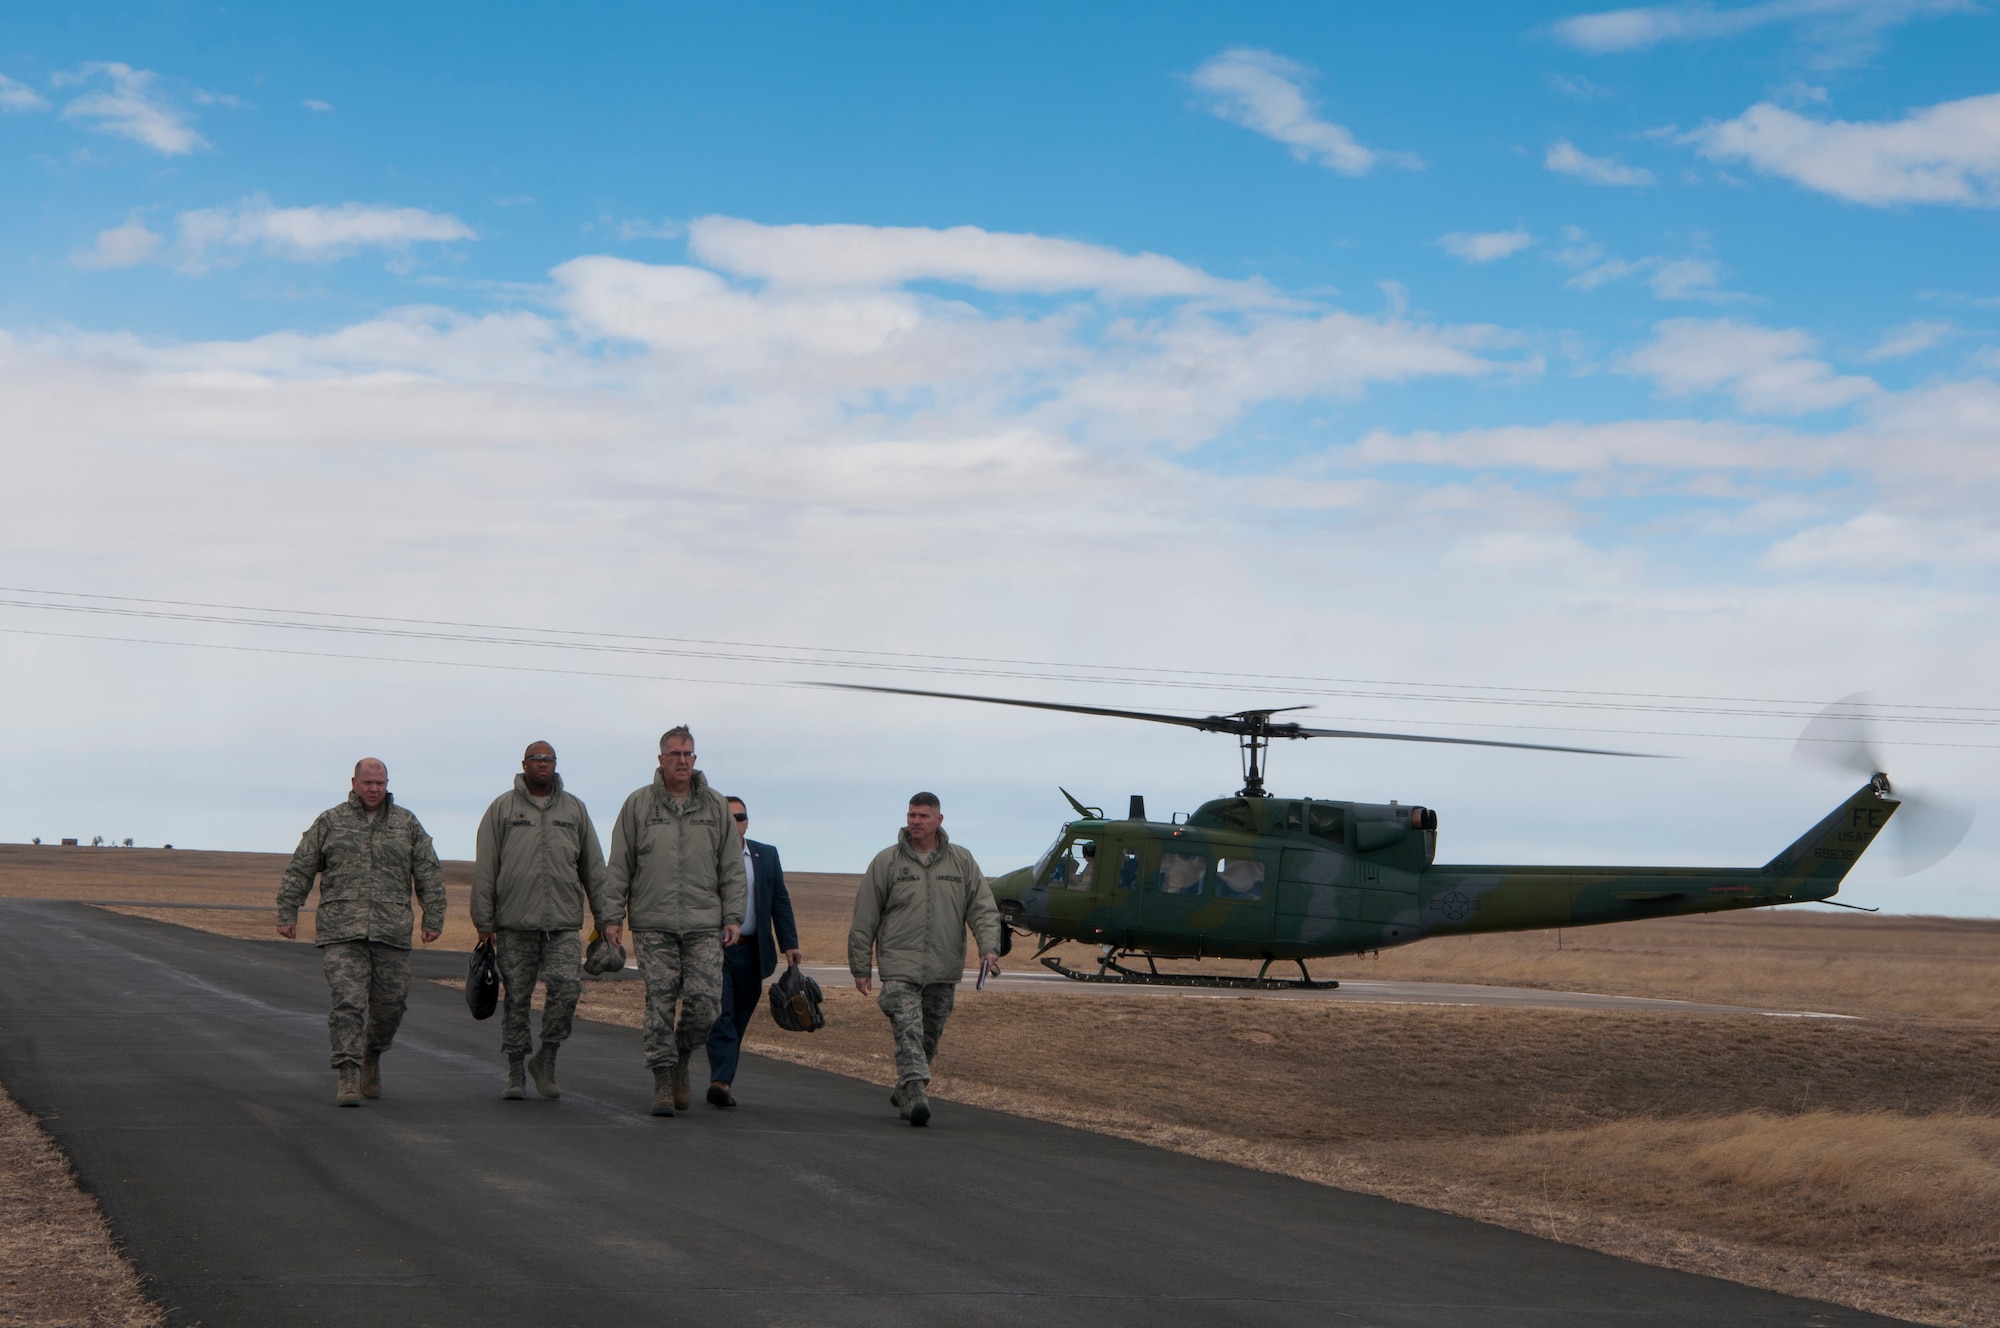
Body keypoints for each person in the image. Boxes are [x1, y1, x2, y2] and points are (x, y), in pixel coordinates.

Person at [276, 758, 445, 1107]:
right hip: (342, 930)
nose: (374, 789)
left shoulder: (406, 823)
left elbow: (429, 873)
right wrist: (287, 911)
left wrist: (433, 917)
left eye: (380, 783)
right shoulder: (331, 821)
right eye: (368, 783)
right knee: (348, 1002)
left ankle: (372, 1054)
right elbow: (300, 868)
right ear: (354, 782)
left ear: (387, 783)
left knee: (391, 1006)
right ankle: (348, 1072)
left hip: (392, 932)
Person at [602, 726, 745, 1117]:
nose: (682, 761)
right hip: (653, 924)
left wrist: (733, 915)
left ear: (695, 760)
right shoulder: (638, 805)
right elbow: (619, 867)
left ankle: (681, 1055)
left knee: (706, 1006)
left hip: (703, 923)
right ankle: (663, 1079)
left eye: (689, 754)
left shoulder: (715, 807)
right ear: (661, 759)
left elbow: (732, 867)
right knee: (659, 1004)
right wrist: (612, 917)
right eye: (675, 754)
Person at [472, 741, 613, 1101]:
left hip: (563, 925)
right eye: (537, 759)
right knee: (517, 999)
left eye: (549, 760)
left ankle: (546, 1058)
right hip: (514, 924)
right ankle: (516, 1070)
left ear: (555, 764)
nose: (543, 765)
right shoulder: (502, 808)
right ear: (524, 764)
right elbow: (487, 867)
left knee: (567, 989)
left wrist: (607, 916)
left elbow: (594, 868)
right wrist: (483, 921)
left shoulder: (574, 809)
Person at [849, 792, 1001, 1127]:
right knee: (909, 1031)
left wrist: (989, 946)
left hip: (943, 968)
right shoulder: (887, 862)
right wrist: (860, 966)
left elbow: (983, 909)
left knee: (929, 1036)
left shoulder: (961, 861)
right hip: (899, 967)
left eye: (923, 816)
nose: (915, 821)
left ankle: (906, 1085)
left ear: (938, 820)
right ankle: (916, 1094)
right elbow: (865, 917)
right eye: (911, 815)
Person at [703, 796, 801, 1108]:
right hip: (715, 951)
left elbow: (779, 900)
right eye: (729, 817)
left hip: (752, 951)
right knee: (722, 1014)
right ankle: (720, 1081)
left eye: (741, 817)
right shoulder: (704, 855)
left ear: (748, 821)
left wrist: (790, 944)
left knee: (739, 1018)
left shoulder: (766, 855)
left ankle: (723, 1077)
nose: (736, 823)